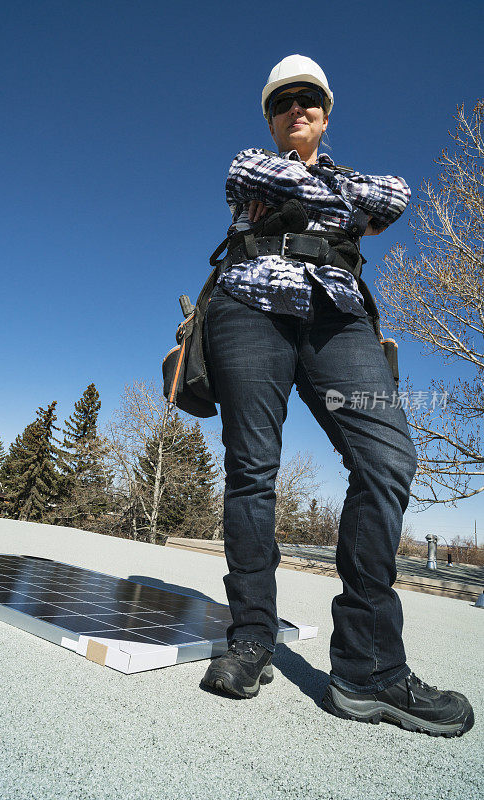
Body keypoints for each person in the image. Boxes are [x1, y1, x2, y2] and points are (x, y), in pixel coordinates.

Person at [200, 54, 474, 738]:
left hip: (339, 321)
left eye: (311, 100)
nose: (298, 108)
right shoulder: (248, 162)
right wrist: (338, 198)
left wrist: (326, 191)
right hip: (249, 311)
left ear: (326, 112)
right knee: (253, 473)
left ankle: (367, 669)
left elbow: (397, 195)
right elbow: (265, 176)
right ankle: (253, 641)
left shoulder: (351, 176)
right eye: (285, 101)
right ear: (270, 115)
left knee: (387, 460)